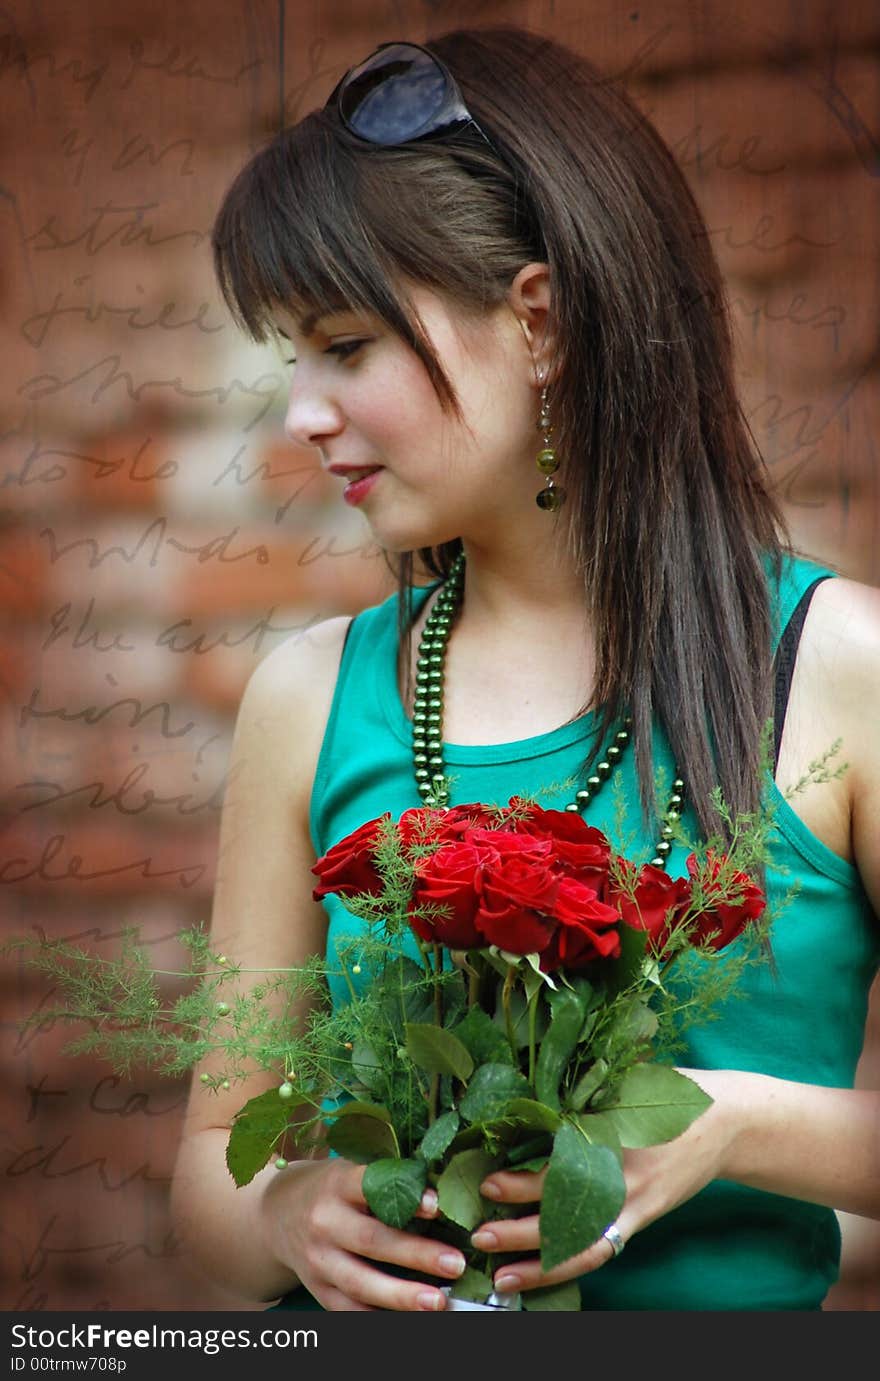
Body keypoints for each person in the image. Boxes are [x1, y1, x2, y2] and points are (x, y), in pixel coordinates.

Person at [169, 28, 880, 1311]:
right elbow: (208, 1208)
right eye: (294, 360)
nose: (302, 416)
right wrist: (283, 1210)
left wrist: (728, 1124)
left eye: (344, 346)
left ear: (537, 321)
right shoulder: (312, 694)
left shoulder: (842, 670)